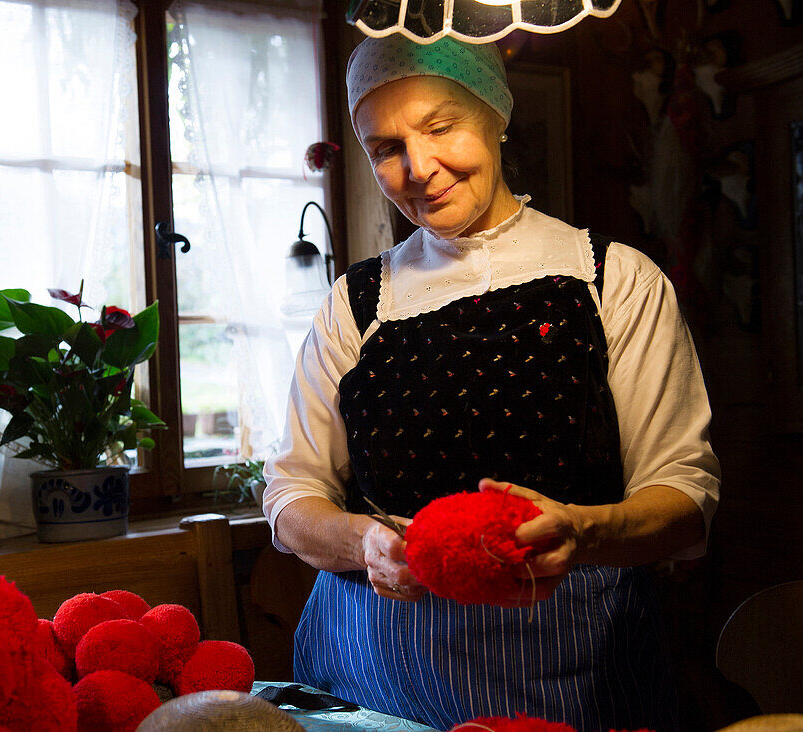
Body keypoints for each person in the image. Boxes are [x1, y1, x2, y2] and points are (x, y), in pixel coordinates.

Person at [261, 33, 719, 732]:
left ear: (495, 113)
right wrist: (365, 542)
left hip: (569, 676)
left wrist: (584, 531)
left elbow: (684, 493)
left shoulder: (613, 280)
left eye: (440, 127)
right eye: (384, 148)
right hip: (372, 675)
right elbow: (291, 495)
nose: (418, 168)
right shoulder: (354, 304)